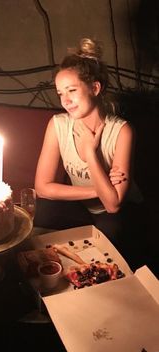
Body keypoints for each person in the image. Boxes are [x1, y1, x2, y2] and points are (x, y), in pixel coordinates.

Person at [34, 38, 144, 268]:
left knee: (112, 230)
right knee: (44, 213)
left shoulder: (122, 131)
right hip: (82, 206)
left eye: (72, 90)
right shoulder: (58, 125)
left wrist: (90, 153)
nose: (65, 100)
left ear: (95, 88)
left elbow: (113, 204)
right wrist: (98, 190)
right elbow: (43, 187)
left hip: (113, 213)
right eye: (60, 93)